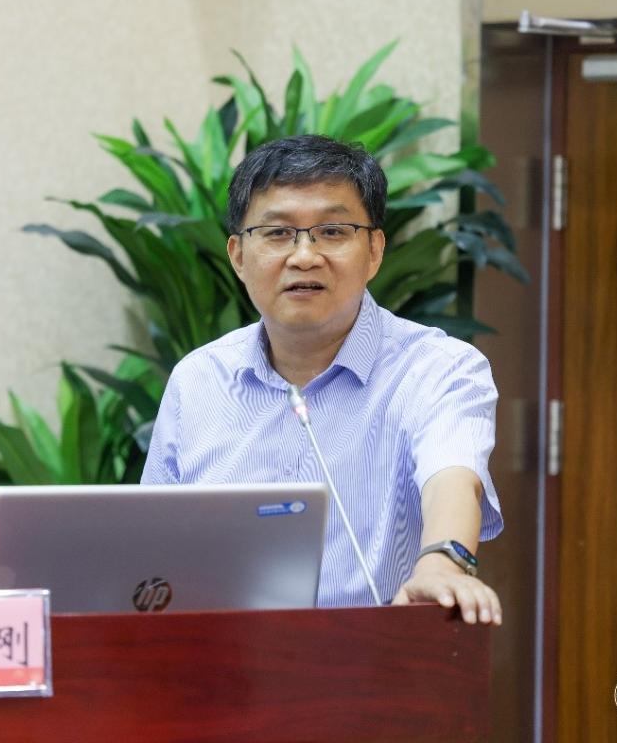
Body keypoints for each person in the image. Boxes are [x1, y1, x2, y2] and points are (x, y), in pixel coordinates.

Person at [141, 134, 503, 626]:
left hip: (376, 658)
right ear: (238, 256)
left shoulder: (438, 368)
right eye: (277, 233)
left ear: (374, 250)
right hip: (222, 659)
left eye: (333, 231)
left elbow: (453, 476)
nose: (305, 256)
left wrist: (442, 563)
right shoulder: (198, 380)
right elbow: (153, 545)